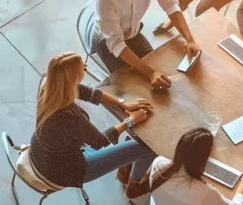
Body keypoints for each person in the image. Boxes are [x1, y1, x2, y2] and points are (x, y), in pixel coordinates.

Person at [29, 52, 158, 197]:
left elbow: (89, 93)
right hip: (67, 170)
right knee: (149, 146)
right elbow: (99, 141)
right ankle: (133, 187)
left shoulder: (49, 83)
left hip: (39, 154)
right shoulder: (68, 115)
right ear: (73, 78)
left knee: (134, 143)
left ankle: (125, 169)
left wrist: (123, 104)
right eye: (82, 68)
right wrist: (130, 120)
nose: (85, 66)